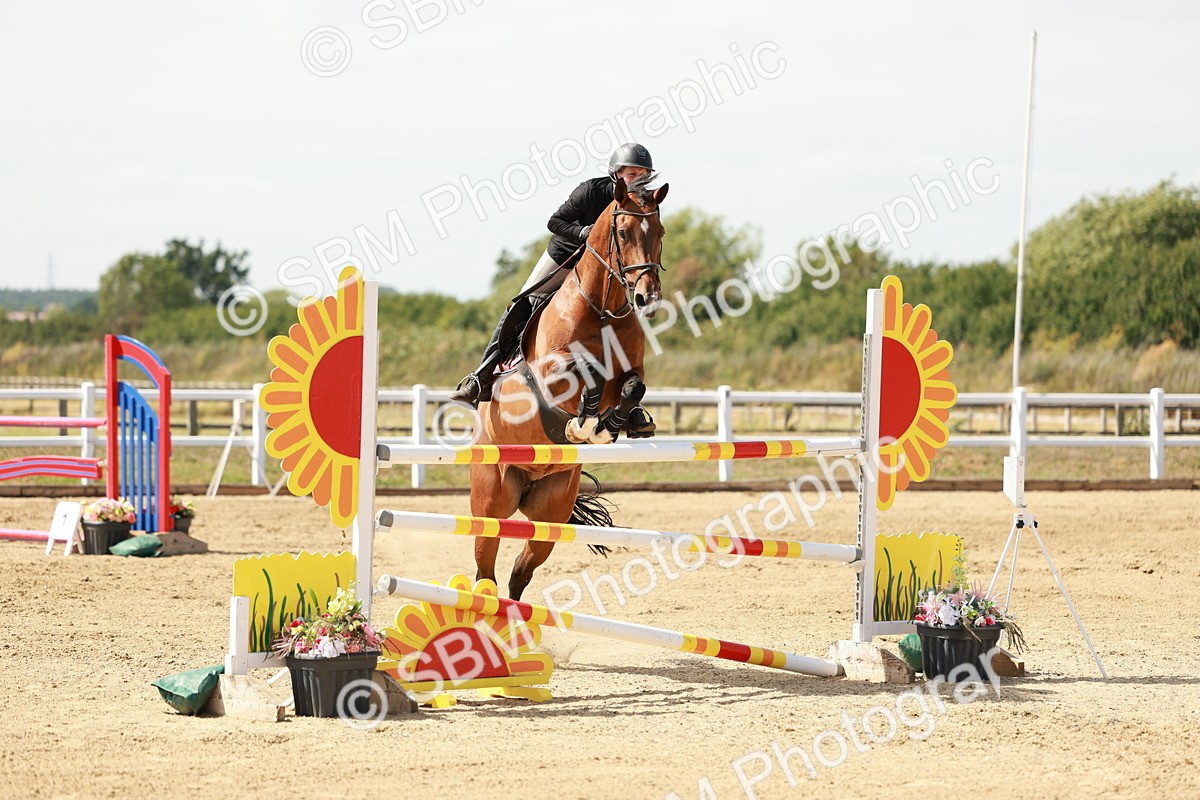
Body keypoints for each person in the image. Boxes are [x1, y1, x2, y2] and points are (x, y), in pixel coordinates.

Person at [449, 143, 657, 438]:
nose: (637, 179)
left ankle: (629, 408)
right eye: (631, 173)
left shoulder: (641, 205)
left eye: (642, 174)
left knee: (622, 319)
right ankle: (480, 377)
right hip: (564, 258)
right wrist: (585, 233)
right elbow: (555, 222)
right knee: (521, 303)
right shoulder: (590, 192)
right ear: (616, 173)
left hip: (601, 274)